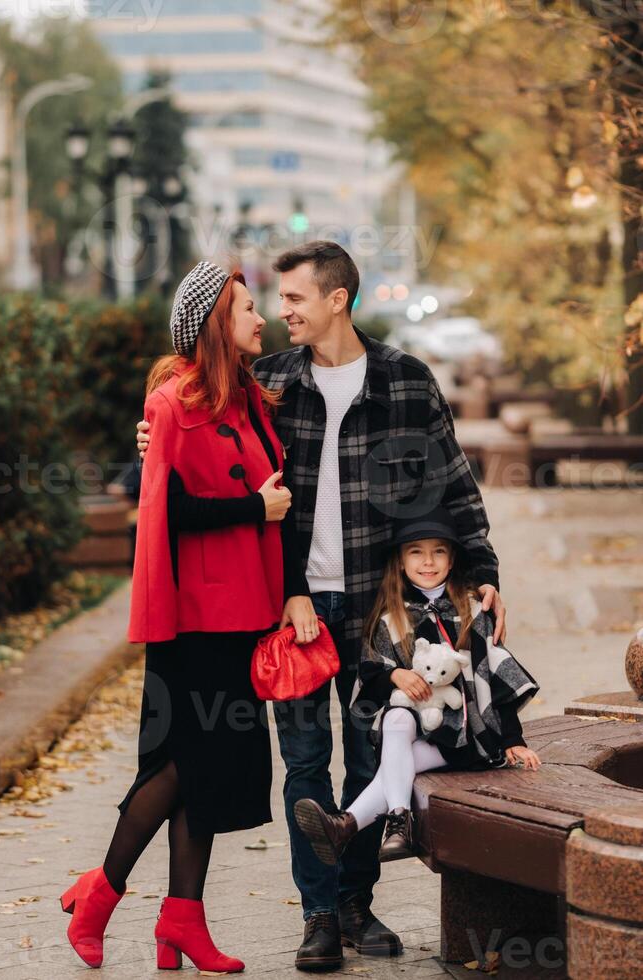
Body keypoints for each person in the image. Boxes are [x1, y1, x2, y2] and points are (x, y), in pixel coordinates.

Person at [137, 242, 508, 972]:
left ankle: (354, 906)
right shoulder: (265, 382)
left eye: (296, 298)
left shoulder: (406, 381)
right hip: (295, 610)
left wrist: (485, 567)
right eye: (275, 301)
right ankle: (316, 914)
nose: (282, 312)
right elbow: (188, 436)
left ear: (338, 299)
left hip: (383, 614)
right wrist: (144, 440)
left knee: (372, 755)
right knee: (304, 761)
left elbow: (455, 483)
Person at [60, 262, 315, 973]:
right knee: (183, 764)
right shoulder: (174, 403)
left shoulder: (251, 401)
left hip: (245, 612)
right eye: (247, 309)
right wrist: (251, 508)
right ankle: (102, 892)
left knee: (200, 774)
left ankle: (180, 921)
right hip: (194, 619)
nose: (261, 319)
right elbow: (162, 513)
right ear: (214, 325)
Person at [293, 505, 540, 867]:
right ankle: (389, 820)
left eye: (438, 551)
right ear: (401, 562)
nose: (428, 562)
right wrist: (395, 675)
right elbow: (370, 673)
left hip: (466, 739)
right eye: (416, 552)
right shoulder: (391, 617)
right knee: (397, 721)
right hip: (414, 732)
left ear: (452, 558)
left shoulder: (472, 611)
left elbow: (496, 678)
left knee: (398, 763)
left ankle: (349, 825)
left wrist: (513, 740)